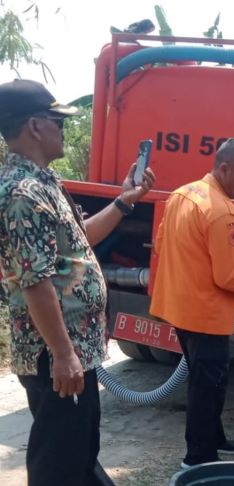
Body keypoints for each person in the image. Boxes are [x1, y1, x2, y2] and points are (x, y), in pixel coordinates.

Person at [0, 79, 156, 486]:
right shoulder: (23, 193)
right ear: (35, 126)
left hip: (73, 352)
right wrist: (63, 355)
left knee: (79, 452)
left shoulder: (45, 183)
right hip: (55, 358)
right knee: (59, 464)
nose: (63, 129)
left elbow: (79, 240)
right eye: (58, 121)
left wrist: (125, 201)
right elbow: (36, 281)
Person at [149, 138, 234, 469]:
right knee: (207, 387)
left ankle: (216, 437)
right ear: (224, 169)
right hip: (205, 315)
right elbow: (228, 277)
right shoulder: (223, 211)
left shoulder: (182, 193)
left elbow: (158, 245)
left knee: (207, 378)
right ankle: (198, 457)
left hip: (179, 307)